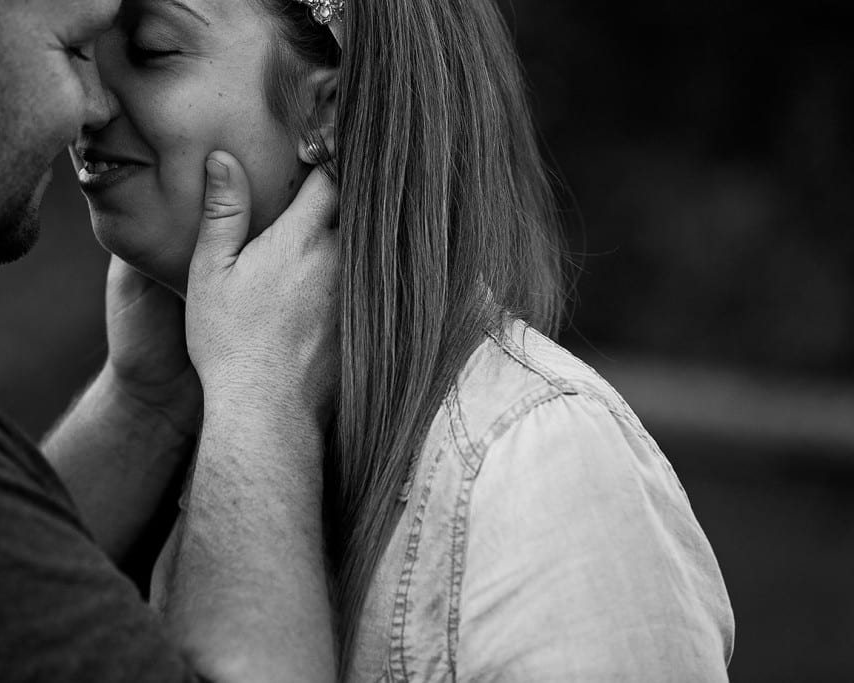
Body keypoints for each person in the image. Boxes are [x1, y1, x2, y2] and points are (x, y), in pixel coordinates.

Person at [75, 0, 736, 679]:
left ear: (326, 110)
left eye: (152, 50)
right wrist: (145, 401)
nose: (84, 101)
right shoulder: (186, 423)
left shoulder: (541, 460)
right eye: (85, 43)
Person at [0, 0, 338, 680]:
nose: (91, 105)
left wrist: (143, 404)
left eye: (148, 51)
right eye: (72, 49)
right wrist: (261, 392)